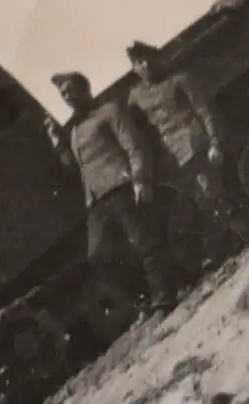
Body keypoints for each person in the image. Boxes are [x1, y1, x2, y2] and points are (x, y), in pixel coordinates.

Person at [126, 40, 249, 271]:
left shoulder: (179, 79)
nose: (144, 65)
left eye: (147, 58)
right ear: (133, 68)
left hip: (196, 143)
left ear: (157, 58)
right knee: (204, 202)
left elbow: (203, 109)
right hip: (173, 158)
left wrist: (214, 141)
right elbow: (142, 135)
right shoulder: (134, 98)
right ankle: (234, 238)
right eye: (138, 62)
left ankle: (240, 235)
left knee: (212, 193)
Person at [64, 72, 177, 317]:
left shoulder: (109, 111)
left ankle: (164, 300)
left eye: (72, 90)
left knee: (143, 242)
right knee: (98, 256)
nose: (68, 97)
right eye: (63, 94)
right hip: (96, 199)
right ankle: (144, 297)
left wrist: (140, 178)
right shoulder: (73, 131)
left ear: (85, 89)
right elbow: (81, 166)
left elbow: (133, 145)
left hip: (120, 185)